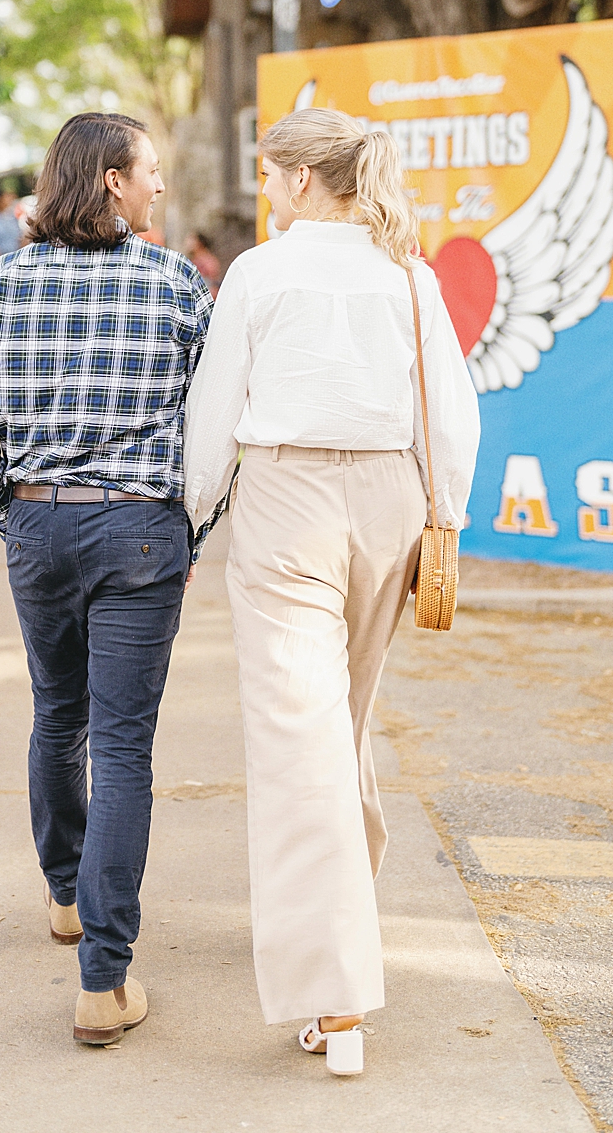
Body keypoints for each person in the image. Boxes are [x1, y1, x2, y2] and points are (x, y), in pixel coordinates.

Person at [183, 108, 479, 1075]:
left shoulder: (260, 274)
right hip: (390, 502)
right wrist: (445, 514)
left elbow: (215, 409)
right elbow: (453, 411)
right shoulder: (406, 274)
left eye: (270, 177)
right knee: (336, 725)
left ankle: (334, 997)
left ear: (303, 179)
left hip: (287, 499)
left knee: (294, 739)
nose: (266, 193)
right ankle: (341, 897)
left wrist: (191, 515)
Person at [0, 113, 214, 1046]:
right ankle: (102, 982)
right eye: (149, 172)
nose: (159, 189)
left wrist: (18, 514)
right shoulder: (177, 282)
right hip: (142, 533)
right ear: (110, 180)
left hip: (40, 523)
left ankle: (66, 895)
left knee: (59, 716)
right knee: (126, 749)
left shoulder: (6, 281)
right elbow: (212, 431)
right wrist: (187, 530)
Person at [184, 230, 222, 295]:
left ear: (199, 243)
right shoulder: (191, 260)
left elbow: (213, 280)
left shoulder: (208, 260)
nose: (188, 243)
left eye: (192, 240)